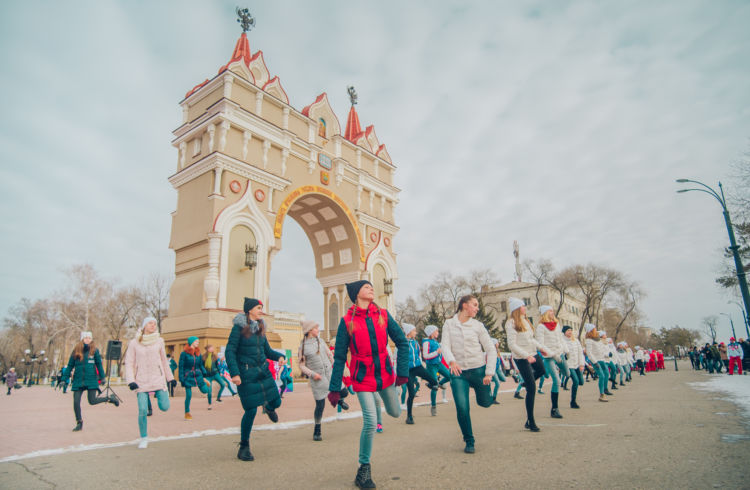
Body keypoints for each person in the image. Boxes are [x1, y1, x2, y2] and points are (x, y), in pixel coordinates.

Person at [327, 280, 409, 489]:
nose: (371, 288)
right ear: (356, 294)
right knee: (371, 422)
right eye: (366, 287)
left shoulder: (382, 314)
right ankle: (363, 469)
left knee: (396, 412)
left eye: (371, 286)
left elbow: (402, 341)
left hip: (385, 375)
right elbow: (338, 357)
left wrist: (402, 373)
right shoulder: (347, 321)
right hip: (362, 377)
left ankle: (383, 400)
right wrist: (335, 388)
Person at [227, 298, 286, 462]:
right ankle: (244, 446)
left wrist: (279, 357)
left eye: (261, 307)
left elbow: (267, 351)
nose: (261, 310)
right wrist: (235, 373)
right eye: (258, 307)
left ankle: (268, 407)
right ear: (249, 310)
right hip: (246, 375)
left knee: (277, 402)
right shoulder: (239, 328)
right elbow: (230, 351)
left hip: (263, 373)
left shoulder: (260, 328)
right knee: (251, 410)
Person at [123, 317, 173, 449]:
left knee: (165, 407)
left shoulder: (159, 341)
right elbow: (129, 363)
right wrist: (131, 381)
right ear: (144, 325)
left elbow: (163, 361)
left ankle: (161, 393)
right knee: (143, 410)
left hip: (158, 379)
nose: (153, 325)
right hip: (141, 381)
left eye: (155, 323)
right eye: (150, 323)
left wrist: (170, 378)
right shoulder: (134, 343)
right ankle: (144, 437)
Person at [298, 319, 349, 441]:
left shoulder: (321, 341)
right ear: (309, 330)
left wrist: (337, 367)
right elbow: (301, 365)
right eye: (316, 328)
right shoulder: (303, 347)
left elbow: (330, 355)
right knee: (320, 406)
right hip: (318, 379)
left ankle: (339, 401)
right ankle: (317, 429)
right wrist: (312, 374)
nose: (318, 329)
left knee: (344, 392)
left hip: (330, 374)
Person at [505, 297, 548, 432]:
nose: (525, 308)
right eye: (523, 306)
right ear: (517, 309)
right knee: (532, 389)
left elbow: (531, 339)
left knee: (542, 370)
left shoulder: (526, 321)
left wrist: (541, 348)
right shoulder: (511, 323)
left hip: (532, 352)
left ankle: (525, 383)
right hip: (521, 357)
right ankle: (530, 420)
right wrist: (526, 356)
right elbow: (512, 345)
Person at [63, 331, 119, 431]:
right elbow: (70, 365)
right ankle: (79, 422)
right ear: (82, 339)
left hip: (91, 379)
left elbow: (99, 364)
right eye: (85, 338)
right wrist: (64, 378)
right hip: (78, 380)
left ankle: (110, 398)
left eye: (89, 338)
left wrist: (102, 377)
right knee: (76, 402)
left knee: (92, 401)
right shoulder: (76, 351)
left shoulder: (94, 350)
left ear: (91, 339)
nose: (87, 339)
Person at [534, 305, 569, 419]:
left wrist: (566, 351)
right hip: (549, 356)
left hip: (560, 354)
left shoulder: (557, 324)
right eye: (550, 311)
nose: (552, 312)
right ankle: (554, 409)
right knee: (557, 381)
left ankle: (555, 370)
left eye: (552, 310)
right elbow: (541, 345)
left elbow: (561, 339)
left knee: (567, 374)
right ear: (545, 313)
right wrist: (553, 355)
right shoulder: (541, 327)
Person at [401, 323, 438, 425]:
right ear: (409, 332)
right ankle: (409, 417)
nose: (416, 332)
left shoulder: (416, 342)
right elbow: (398, 358)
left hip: (418, 367)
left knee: (434, 381)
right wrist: (399, 372)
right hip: (408, 370)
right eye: (414, 330)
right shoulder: (403, 343)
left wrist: (422, 366)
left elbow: (419, 356)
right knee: (412, 394)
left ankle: (430, 385)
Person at [179, 336, 212, 419]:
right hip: (188, 375)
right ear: (191, 342)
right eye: (196, 341)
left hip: (198, 375)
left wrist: (204, 373)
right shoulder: (184, 354)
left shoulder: (198, 353)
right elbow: (181, 367)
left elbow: (200, 365)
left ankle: (204, 380)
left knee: (205, 391)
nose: (198, 343)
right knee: (189, 395)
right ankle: (187, 412)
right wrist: (181, 378)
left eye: (198, 341)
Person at [421, 324, 451, 415]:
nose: (438, 333)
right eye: (436, 331)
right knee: (434, 387)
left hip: (439, 364)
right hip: (431, 366)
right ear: (431, 332)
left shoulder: (435, 341)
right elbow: (425, 356)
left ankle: (440, 383)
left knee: (450, 376)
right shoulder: (426, 342)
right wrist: (436, 352)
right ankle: (433, 407)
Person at [584, 325, 609, 402]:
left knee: (606, 374)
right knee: (601, 375)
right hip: (595, 361)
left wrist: (605, 357)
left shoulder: (598, 339)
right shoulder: (589, 340)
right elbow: (589, 353)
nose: (596, 330)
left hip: (602, 359)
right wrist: (595, 362)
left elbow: (601, 350)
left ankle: (605, 389)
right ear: (591, 331)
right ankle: (602, 394)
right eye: (594, 329)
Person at [562, 326, 584, 409]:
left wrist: (581, 364)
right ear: (564, 332)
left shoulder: (576, 340)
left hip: (577, 364)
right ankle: (573, 401)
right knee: (576, 381)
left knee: (581, 382)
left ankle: (573, 400)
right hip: (569, 365)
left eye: (571, 330)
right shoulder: (562, 341)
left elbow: (580, 353)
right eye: (568, 330)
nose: (570, 332)